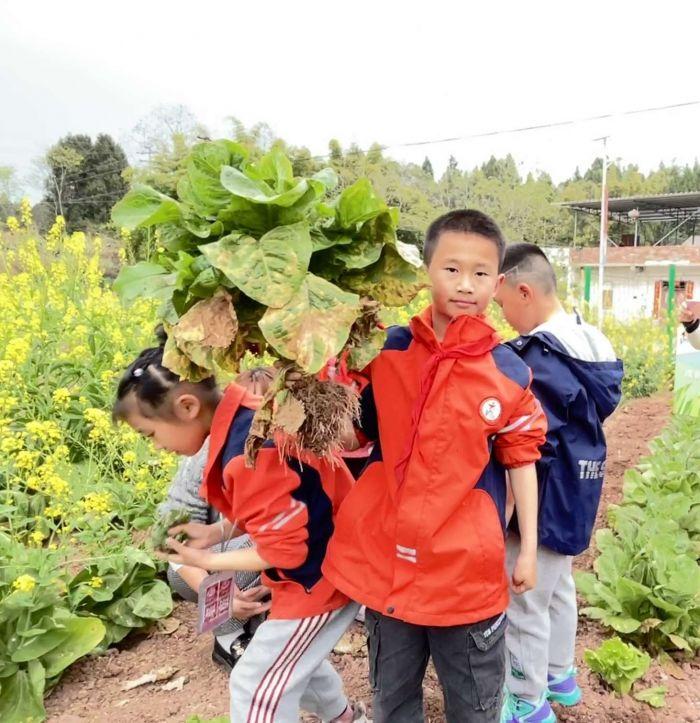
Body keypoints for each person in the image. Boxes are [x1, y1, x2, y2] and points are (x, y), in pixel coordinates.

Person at [323, 210, 548, 723]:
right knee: (392, 701)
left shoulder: (508, 372)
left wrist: (528, 550)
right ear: (425, 270)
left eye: (481, 273)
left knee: (474, 706)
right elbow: (356, 434)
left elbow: (521, 461)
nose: (465, 285)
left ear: (499, 282)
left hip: (465, 575)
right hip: (388, 565)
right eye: (451, 269)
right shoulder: (385, 349)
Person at [113, 343, 368, 723]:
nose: (158, 447)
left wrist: (207, 560)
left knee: (254, 684)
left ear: (187, 407)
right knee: (293, 658)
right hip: (324, 562)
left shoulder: (248, 451)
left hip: (321, 577)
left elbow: (284, 550)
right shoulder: (247, 421)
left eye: (150, 434)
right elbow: (278, 508)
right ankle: (345, 719)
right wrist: (215, 533)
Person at [495, 243, 623, 723]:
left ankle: (528, 702)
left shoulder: (537, 358)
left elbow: (522, 440)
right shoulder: (590, 339)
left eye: (502, 303)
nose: (503, 316)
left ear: (522, 290)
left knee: (524, 597)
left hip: (545, 490)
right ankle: (559, 675)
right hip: (579, 484)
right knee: (559, 583)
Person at [159, 366, 276, 672]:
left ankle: (263, 613)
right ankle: (229, 637)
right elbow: (173, 546)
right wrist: (215, 592)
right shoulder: (205, 455)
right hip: (204, 567)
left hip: (262, 556)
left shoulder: (291, 452)